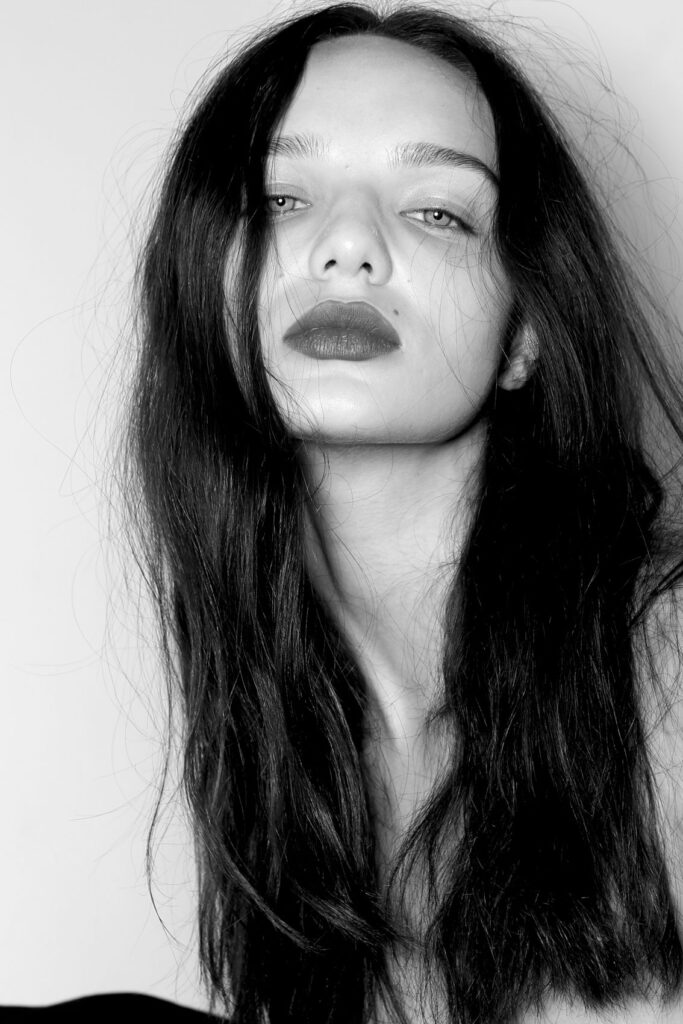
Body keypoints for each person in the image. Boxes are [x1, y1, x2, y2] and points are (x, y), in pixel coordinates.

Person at [122, 3, 683, 1022]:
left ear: (525, 332)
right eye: (278, 197)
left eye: (437, 212)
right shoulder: (286, 756)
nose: (345, 244)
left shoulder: (662, 663)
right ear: (204, 288)